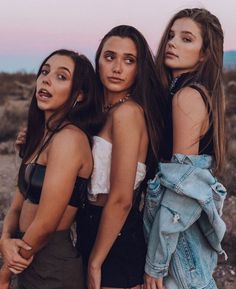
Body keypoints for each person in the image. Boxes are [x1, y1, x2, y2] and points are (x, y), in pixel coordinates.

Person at [0, 49, 104, 289]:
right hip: (25, 255)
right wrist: (5, 240)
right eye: (45, 72)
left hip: (52, 265)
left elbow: (46, 223)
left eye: (61, 76)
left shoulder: (70, 139)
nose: (46, 79)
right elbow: (17, 204)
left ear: (79, 95)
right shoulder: (42, 137)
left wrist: (5, 274)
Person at [76, 25, 165, 289]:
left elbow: (122, 198)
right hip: (89, 228)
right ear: (98, 61)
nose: (117, 68)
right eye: (109, 57)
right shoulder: (98, 111)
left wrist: (95, 262)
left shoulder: (128, 114)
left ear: (139, 69)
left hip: (117, 239)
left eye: (129, 60)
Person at [143, 8, 227, 289]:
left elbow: (183, 189)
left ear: (204, 54)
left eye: (186, 39)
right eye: (171, 35)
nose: (172, 43)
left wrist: (156, 262)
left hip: (177, 236)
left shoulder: (187, 96)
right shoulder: (185, 92)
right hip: (179, 232)